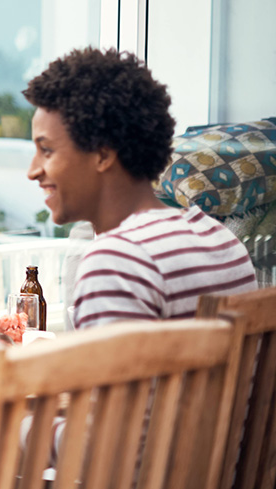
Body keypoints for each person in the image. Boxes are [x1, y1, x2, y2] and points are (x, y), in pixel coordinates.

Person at [24, 47, 256, 330]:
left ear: (103, 155)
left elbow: (107, 376)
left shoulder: (116, 263)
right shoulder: (222, 242)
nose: (32, 171)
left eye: (46, 150)